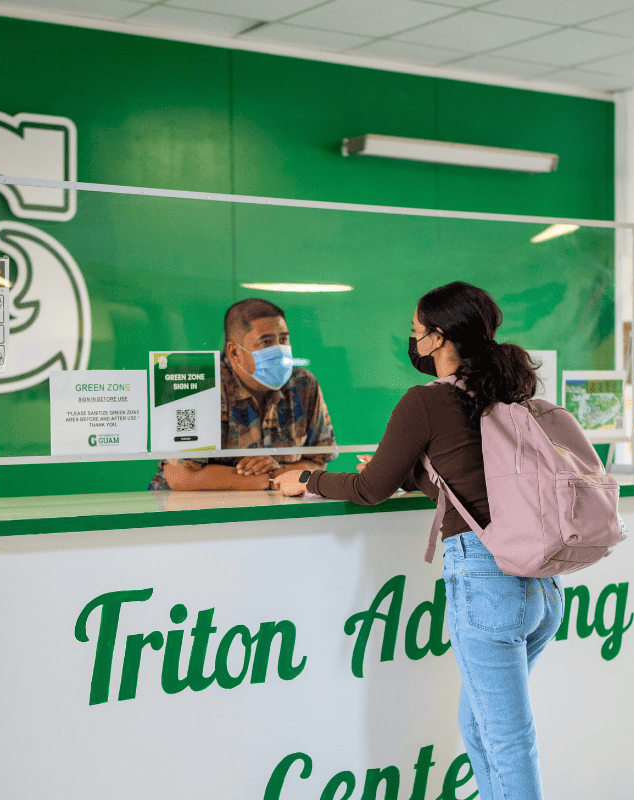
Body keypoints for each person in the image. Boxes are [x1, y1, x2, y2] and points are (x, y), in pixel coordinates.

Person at [274, 281, 563, 800]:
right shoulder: (506, 390)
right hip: (542, 589)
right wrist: (413, 475)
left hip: (487, 583)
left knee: (505, 740)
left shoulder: (426, 402)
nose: (411, 342)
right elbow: (472, 474)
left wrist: (308, 480)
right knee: (479, 729)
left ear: (436, 338)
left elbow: (367, 488)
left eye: (415, 331)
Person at [149, 298, 335, 491]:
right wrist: (273, 478)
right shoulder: (195, 384)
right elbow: (182, 477)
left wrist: (276, 471)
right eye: (266, 342)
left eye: (284, 339)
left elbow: (318, 461)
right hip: (188, 513)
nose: (279, 350)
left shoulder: (303, 384)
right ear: (234, 351)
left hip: (273, 509)